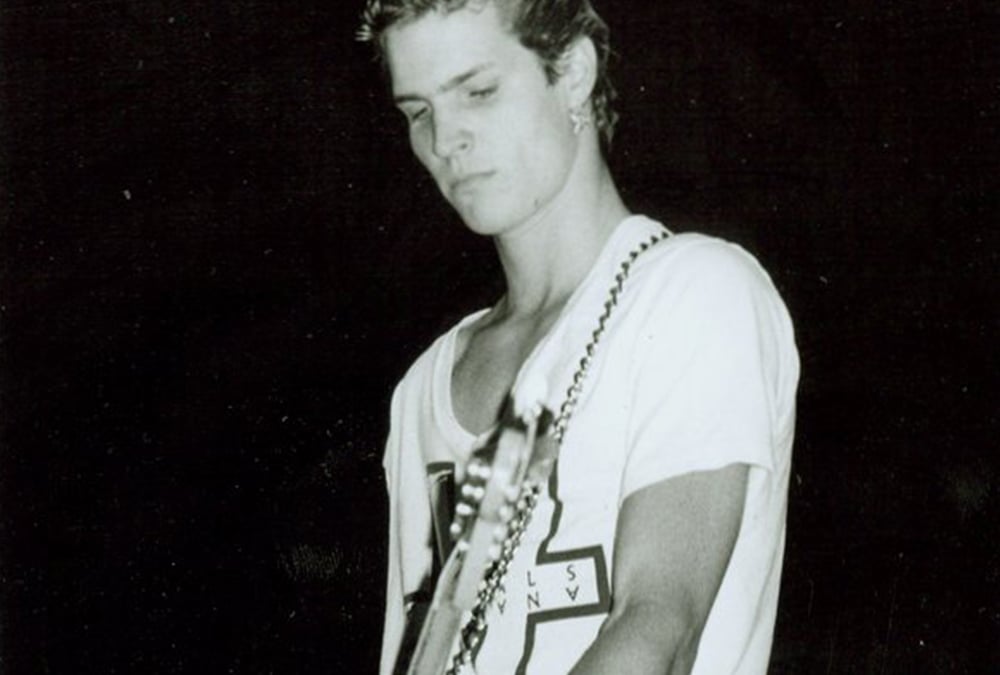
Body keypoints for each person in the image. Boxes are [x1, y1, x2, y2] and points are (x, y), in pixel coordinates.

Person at [357, 1, 800, 673]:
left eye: (478, 92)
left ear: (572, 73)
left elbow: (657, 630)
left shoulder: (690, 293)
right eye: (418, 111)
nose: (445, 140)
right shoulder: (423, 386)